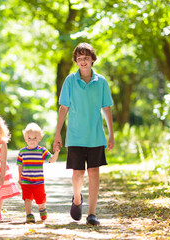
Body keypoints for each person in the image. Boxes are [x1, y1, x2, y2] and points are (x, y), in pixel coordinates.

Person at [53, 42, 114, 226]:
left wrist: (111, 133)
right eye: (79, 58)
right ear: (76, 61)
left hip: (95, 135)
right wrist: (57, 134)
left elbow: (106, 108)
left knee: (94, 172)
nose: (83, 61)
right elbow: (64, 108)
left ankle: (92, 214)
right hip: (75, 135)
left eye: (86, 58)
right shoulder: (70, 81)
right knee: (78, 174)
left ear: (92, 59)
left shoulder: (101, 81)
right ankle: (77, 199)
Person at [17, 123, 60, 223]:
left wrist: (56, 153)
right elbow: (20, 165)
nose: (32, 141)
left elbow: (52, 160)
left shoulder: (42, 151)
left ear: (40, 138)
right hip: (26, 180)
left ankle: (42, 208)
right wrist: (20, 177)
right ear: (25, 138)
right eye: (29, 138)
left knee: (40, 198)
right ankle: (29, 214)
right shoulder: (22, 152)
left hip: (38, 181)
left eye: (35, 138)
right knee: (27, 198)